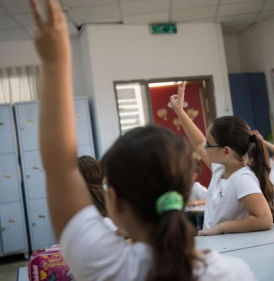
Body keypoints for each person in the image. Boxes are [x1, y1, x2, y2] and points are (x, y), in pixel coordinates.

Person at [30, 1, 257, 280]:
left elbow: (60, 167)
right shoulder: (235, 273)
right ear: (184, 192)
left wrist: (55, 62)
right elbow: (61, 168)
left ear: (113, 199)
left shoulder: (104, 267)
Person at [171, 83, 274, 236]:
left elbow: (264, 219)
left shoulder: (242, 179)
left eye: (209, 144)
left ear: (226, 151)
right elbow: (198, 143)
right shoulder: (221, 169)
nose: (204, 147)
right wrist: (179, 111)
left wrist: (222, 227)